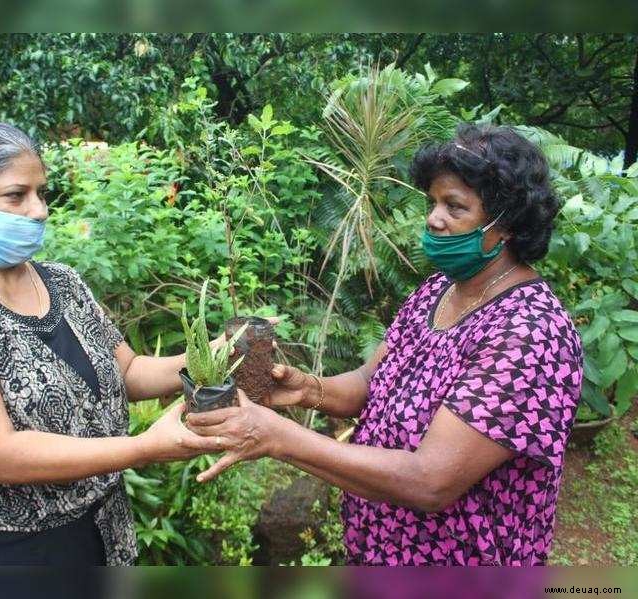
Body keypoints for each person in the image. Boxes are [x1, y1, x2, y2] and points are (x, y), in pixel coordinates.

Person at [185, 123, 583, 566]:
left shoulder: (531, 334)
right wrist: (306, 389)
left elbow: (430, 481)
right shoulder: (440, 290)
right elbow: (372, 382)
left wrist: (280, 438)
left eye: (455, 206)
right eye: (433, 202)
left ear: (505, 224)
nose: (433, 218)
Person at [0, 120, 225, 566]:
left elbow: (126, 371)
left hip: (101, 531)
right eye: (16, 195)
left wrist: (221, 352)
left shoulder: (63, 283)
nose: (39, 210)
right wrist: (145, 447)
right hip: (5, 553)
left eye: (42, 193)